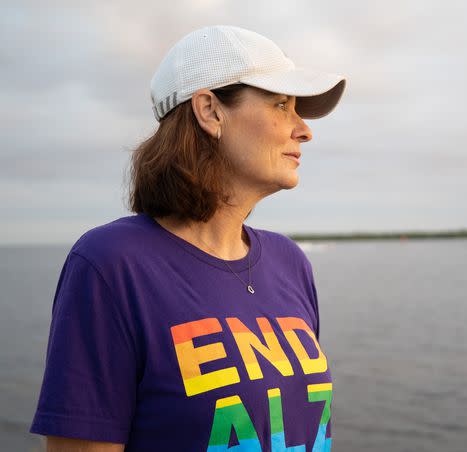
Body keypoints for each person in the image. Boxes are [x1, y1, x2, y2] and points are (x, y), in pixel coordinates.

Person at [29, 25, 346, 452]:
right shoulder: (112, 265)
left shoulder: (290, 263)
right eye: (281, 104)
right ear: (210, 111)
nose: (304, 130)